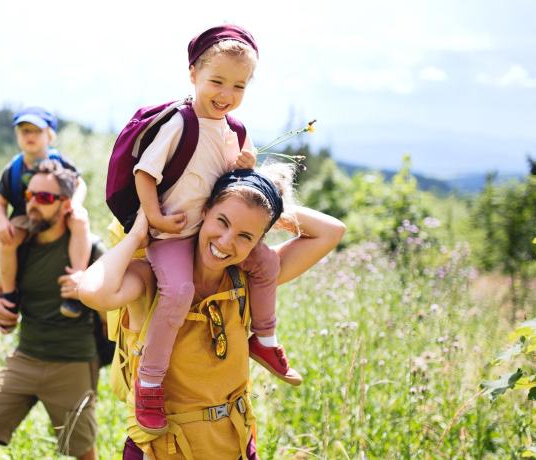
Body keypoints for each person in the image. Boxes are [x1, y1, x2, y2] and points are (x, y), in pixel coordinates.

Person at [78, 166, 346, 459]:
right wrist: (137, 235)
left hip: (234, 444)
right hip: (163, 450)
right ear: (203, 211)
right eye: (222, 220)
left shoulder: (248, 280)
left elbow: (331, 231)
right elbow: (93, 292)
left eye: (246, 236)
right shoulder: (153, 279)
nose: (226, 242)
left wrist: (261, 204)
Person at [128, 24, 298, 434]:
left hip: (211, 230)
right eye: (216, 81)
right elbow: (144, 173)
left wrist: (246, 162)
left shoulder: (233, 129)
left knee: (266, 265)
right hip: (173, 233)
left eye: (238, 86)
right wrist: (154, 218)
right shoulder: (179, 123)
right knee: (179, 292)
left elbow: (243, 172)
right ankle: (149, 382)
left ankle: (265, 339)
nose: (226, 94)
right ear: (193, 75)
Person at [0, 160, 102, 460]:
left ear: (66, 205)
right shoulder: (20, 242)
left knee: (83, 453)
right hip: (25, 357)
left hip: (72, 363)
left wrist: (88, 290)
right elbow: (1, 287)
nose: (33, 204)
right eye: (30, 196)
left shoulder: (90, 248)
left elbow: (113, 305)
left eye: (45, 198)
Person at [0, 106, 91, 319]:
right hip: (25, 216)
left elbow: (80, 184)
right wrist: (3, 223)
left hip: (58, 213)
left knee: (80, 221)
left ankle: (75, 283)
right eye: (24, 131)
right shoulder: (13, 169)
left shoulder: (60, 162)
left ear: (49, 135)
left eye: (36, 131)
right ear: (17, 135)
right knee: (7, 241)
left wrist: (75, 204)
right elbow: (0, 203)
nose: (30, 136)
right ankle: (9, 294)